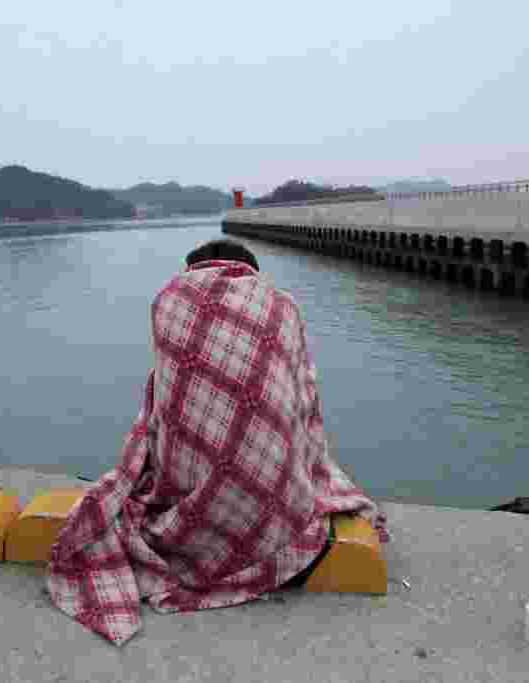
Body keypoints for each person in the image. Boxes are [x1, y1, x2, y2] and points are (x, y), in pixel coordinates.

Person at [47, 238, 389, 645]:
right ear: (251, 270)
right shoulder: (282, 306)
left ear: (190, 269)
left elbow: (164, 408)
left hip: (186, 516)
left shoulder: (168, 301)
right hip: (278, 516)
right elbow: (303, 403)